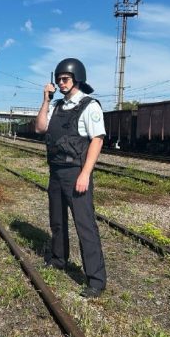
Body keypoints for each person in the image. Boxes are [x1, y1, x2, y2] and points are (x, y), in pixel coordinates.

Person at [35, 58, 107, 299]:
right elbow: (40, 128)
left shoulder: (89, 106)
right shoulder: (56, 106)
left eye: (65, 79)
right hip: (56, 172)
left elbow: (97, 140)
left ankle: (96, 280)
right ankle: (58, 259)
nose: (61, 83)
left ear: (77, 78)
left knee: (85, 225)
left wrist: (85, 174)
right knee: (57, 220)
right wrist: (45, 99)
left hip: (76, 172)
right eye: (58, 80)